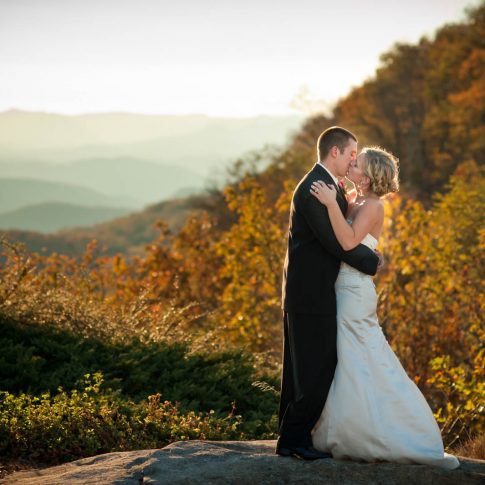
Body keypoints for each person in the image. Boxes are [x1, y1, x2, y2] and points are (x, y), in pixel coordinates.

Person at [309, 146, 460, 470]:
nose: (351, 163)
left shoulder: (374, 205)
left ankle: (393, 432)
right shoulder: (353, 199)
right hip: (340, 288)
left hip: (355, 292)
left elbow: (349, 241)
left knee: (364, 358)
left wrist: (327, 205)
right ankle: (349, 430)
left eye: (357, 162)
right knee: (345, 359)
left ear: (367, 174)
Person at [277, 127, 381, 460]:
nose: (354, 158)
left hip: (313, 292)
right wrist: (371, 260)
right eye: (352, 153)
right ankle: (294, 440)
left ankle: (290, 437)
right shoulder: (313, 187)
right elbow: (335, 242)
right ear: (334, 152)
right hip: (310, 294)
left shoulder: (329, 186)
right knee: (315, 368)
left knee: (302, 369)